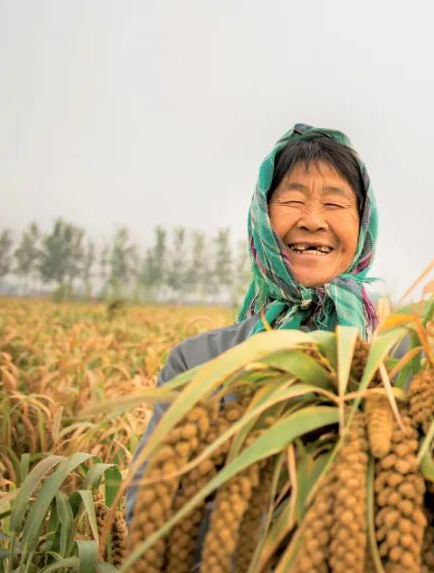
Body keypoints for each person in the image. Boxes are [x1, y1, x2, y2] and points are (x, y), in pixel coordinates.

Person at [124, 123, 379, 555]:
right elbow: (150, 522)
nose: (313, 221)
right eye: (293, 200)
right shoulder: (201, 362)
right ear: (262, 216)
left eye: (334, 202)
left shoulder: (402, 365)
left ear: (363, 222)